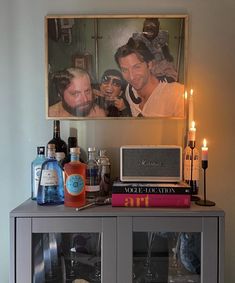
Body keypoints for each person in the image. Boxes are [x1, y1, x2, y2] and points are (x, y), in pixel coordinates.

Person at [114, 38, 184, 118]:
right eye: (125, 70)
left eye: (137, 67)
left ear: (150, 64)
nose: (131, 77)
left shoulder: (177, 94)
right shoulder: (129, 91)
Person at [132, 18, 178, 82]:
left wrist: (159, 81)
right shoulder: (136, 49)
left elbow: (173, 76)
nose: (149, 30)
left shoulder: (164, 55)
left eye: (153, 27)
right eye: (147, 27)